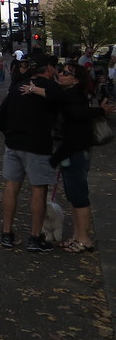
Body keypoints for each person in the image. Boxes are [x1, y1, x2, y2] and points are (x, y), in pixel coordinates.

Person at [24, 62, 116, 253]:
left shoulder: (75, 96)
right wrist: (34, 89)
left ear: (76, 80)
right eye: (61, 71)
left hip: (75, 151)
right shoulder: (68, 95)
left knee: (78, 195)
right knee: (74, 196)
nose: (61, 74)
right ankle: (77, 235)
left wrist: (56, 157)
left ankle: (84, 239)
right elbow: (55, 95)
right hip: (71, 151)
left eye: (66, 73)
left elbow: (77, 116)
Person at [0, 53, 62, 252]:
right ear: (49, 69)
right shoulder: (51, 88)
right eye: (55, 68)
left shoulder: (18, 86)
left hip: (14, 142)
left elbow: (1, 115)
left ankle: (7, 233)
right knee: (38, 190)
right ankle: (35, 237)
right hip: (37, 145)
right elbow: (63, 105)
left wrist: (10, 133)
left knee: (11, 186)